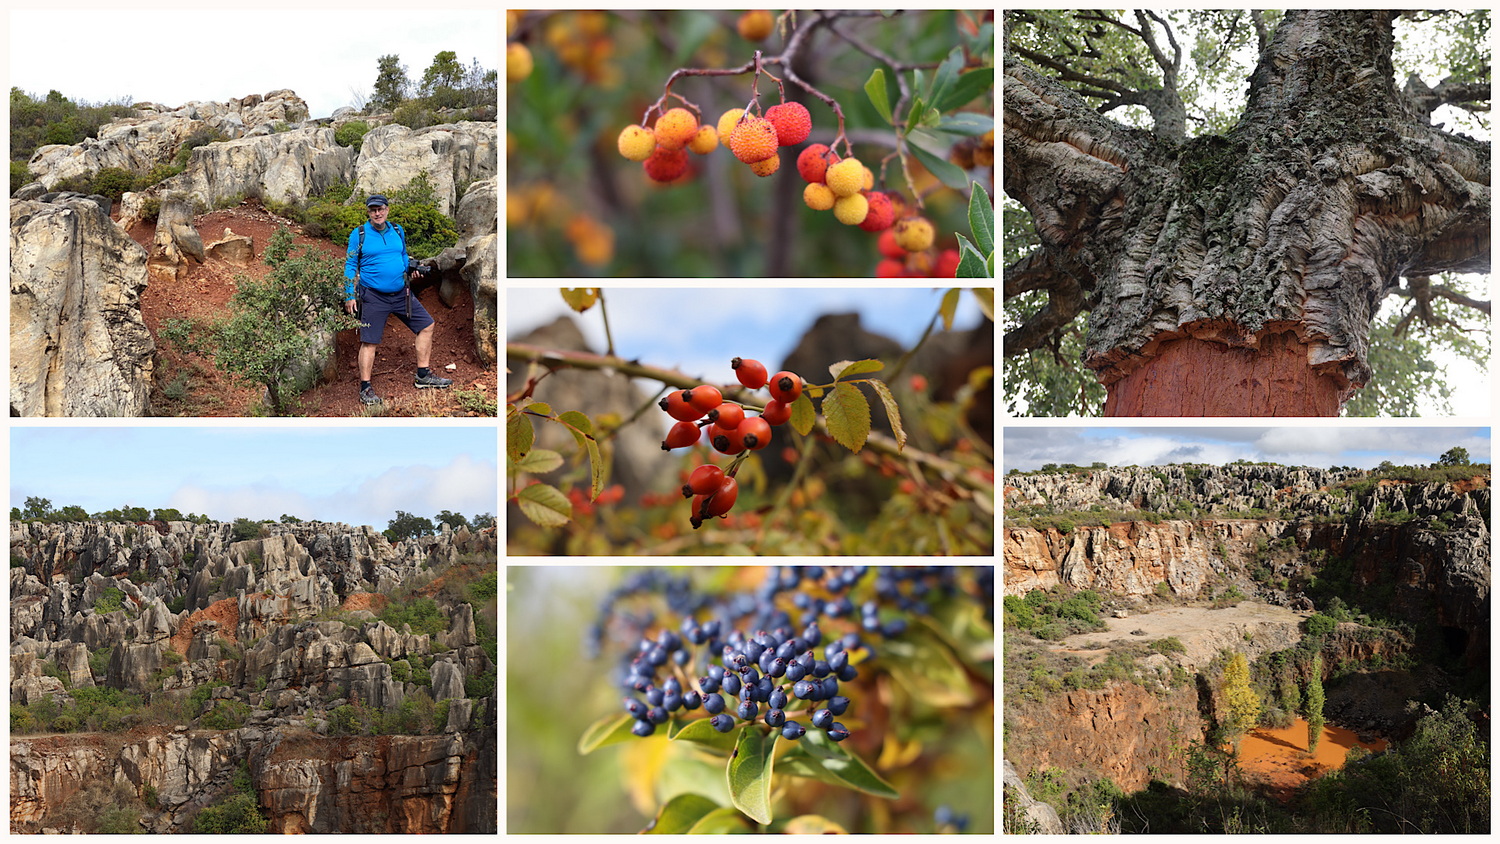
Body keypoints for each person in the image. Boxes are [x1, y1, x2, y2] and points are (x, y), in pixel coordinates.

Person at [344, 194, 452, 405]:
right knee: (369, 342)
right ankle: (365, 387)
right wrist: (349, 295)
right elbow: (350, 266)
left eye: (380, 209)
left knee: (427, 325)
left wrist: (410, 269)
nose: (377, 213)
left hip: (401, 293)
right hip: (373, 295)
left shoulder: (397, 230)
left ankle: (423, 375)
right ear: (368, 212)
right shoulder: (359, 234)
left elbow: (403, 255)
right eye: (373, 209)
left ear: (387, 209)